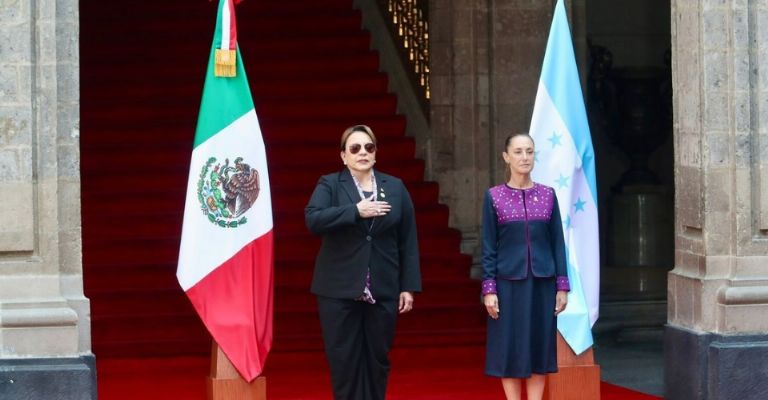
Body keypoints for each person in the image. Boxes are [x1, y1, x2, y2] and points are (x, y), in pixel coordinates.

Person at [305, 124, 422, 400]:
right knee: (344, 360)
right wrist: (355, 211)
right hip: (338, 288)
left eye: (369, 147)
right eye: (355, 148)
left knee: (378, 358)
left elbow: (408, 239)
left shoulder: (395, 186)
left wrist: (408, 286)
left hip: (382, 286)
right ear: (343, 156)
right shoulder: (330, 184)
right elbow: (313, 219)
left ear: (376, 152)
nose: (362, 153)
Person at [481, 133, 570, 400]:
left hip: (543, 282)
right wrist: (489, 289)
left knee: (539, 346)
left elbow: (558, 243)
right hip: (507, 284)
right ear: (506, 157)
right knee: (509, 347)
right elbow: (488, 246)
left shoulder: (548, 195)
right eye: (518, 152)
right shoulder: (494, 197)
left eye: (529, 151)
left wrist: (562, 286)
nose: (524, 157)